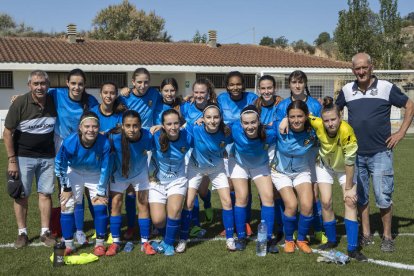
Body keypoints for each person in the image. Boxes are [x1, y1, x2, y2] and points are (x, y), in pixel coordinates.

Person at [336, 52, 414, 252]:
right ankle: (367, 234)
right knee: (361, 197)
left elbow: (409, 104)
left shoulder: (386, 87)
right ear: (352, 70)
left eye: (364, 67)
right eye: (357, 68)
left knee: (383, 197)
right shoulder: (346, 90)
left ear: (372, 67)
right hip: (355, 154)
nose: (361, 71)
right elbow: (333, 113)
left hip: (381, 152)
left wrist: (401, 132)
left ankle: (387, 237)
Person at [3, 70, 57, 248]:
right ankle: (22, 234)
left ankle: (45, 232)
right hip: (23, 157)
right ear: (29, 86)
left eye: (43, 83)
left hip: (47, 157)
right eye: (36, 83)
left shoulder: (54, 100)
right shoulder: (20, 102)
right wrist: (12, 159)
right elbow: (8, 132)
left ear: (48, 85)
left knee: (46, 194)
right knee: (21, 195)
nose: (40, 87)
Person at [311, 96, 367, 261]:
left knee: (350, 201)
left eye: (333, 119)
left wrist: (349, 187)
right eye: (326, 120)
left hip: (345, 169)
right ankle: (332, 240)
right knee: (326, 202)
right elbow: (304, 115)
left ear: (340, 117)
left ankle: (353, 248)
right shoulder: (318, 123)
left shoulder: (347, 131)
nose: (330, 123)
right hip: (324, 167)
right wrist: (286, 119)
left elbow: (350, 162)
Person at [49, 68, 99, 245]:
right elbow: (36, 93)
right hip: (63, 144)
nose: (77, 87)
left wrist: (125, 93)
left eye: (80, 84)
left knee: (89, 188)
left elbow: (100, 114)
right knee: (67, 188)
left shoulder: (90, 100)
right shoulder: (56, 94)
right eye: (74, 83)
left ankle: (100, 226)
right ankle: (74, 229)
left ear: (84, 85)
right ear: (67, 84)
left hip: (85, 145)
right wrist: (19, 100)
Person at [276, 70, 326, 244]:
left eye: (300, 82)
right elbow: (276, 128)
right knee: (287, 196)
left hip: (309, 151)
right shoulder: (282, 105)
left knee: (313, 194)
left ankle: (318, 229)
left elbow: (320, 127)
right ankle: (289, 231)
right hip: (288, 155)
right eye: (293, 82)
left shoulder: (314, 104)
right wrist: (282, 120)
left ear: (305, 84)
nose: (297, 86)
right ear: (289, 85)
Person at [177, 104, 235, 252]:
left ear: (221, 118)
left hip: (217, 169)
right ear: (202, 118)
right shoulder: (195, 129)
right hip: (195, 168)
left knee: (227, 201)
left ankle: (230, 238)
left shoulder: (226, 132)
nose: (212, 120)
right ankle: (183, 239)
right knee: (188, 202)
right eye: (208, 117)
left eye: (216, 117)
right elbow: (177, 132)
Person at [55, 111, 111, 256]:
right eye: (87, 126)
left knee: (99, 206)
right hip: (74, 172)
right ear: (80, 127)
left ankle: (99, 244)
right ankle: (69, 245)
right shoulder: (69, 142)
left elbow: (106, 167)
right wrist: (66, 187)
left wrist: (100, 191)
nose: (91, 130)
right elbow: (59, 164)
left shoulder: (104, 142)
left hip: (95, 174)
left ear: (99, 127)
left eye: (94, 126)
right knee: (67, 205)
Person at [106, 110, 156, 256]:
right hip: (119, 174)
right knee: (116, 203)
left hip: (139, 173)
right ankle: (115, 242)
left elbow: (156, 149)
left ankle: (144, 242)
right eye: (128, 125)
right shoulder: (113, 137)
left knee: (142, 203)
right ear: (122, 126)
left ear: (140, 125)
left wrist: (159, 128)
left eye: (135, 126)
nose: (132, 129)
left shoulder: (147, 136)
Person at [228, 105, 276, 252]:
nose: (250, 126)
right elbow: (215, 128)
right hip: (239, 163)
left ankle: (266, 238)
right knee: (241, 198)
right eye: (246, 123)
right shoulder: (234, 128)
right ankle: (241, 237)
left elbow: (282, 128)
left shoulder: (270, 133)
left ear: (259, 121)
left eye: (253, 122)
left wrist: (285, 120)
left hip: (260, 164)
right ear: (241, 123)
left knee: (268, 197)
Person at [272, 101, 316, 254]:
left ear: (306, 116)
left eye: (300, 116)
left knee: (307, 205)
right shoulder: (279, 128)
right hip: (280, 172)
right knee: (291, 205)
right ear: (287, 117)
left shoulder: (314, 131)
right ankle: (289, 239)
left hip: (301, 171)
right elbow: (259, 130)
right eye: (292, 117)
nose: (296, 120)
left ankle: (302, 239)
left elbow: (331, 126)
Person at [218, 71, 258, 237]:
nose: (235, 87)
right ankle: (232, 222)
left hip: (246, 145)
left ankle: (245, 222)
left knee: (245, 185)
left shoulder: (252, 98)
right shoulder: (221, 99)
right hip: (227, 146)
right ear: (227, 86)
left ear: (243, 85)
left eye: (238, 84)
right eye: (232, 84)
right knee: (230, 185)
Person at [148, 109, 192, 256]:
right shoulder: (154, 136)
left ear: (180, 124)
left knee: (174, 212)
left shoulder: (187, 136)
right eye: (169, 124)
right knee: (158, 220)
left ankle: (167, 243)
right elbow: (135, 134)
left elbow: (201, 129)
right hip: (156, 181)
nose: (173, 127)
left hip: (177, 180)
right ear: (163, 125)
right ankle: (173, 235)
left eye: (176, 123)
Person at [181, 78, 217, 237]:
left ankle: (208, 202)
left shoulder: (215, 109)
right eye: (196, 92)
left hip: (207, 154)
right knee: (191, 190)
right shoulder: (186, 107)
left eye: (202, 92)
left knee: (202, 190)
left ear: (208, 94)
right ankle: (194, 224)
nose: (199, 95)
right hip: (190, 153)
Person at [255, 75, 284, 242]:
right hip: (259, 152)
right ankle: (267, 226)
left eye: (269, 88)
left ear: (275, 89)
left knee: (277, 190)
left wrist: (266, 128)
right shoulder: (255, 105)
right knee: (264, 192)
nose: (266, 91)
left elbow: (278, 129)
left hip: (276, 151)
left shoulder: (281, 105)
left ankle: (280, 227)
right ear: (259, 90)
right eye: (263, 88)